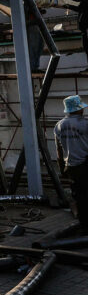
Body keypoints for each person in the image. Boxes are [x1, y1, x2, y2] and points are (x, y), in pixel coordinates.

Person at [55, 95, 88, 233]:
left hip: (71, 166)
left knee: (78, 195)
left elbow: (59, 150)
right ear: (79, 109)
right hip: (85, 163)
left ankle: (83, 222)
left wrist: (62, 168)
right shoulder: (85, 124)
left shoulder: (59, 125)